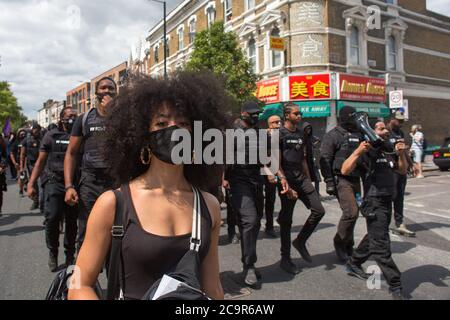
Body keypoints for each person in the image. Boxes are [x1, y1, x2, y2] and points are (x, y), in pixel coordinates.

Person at [68, 71, 225, 300]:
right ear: (142, 135)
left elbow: (213, 289)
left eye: (183, 123)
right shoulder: (113, 204)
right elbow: (79, 286)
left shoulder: (209, 206)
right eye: (161, 123)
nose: (174, 130)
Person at [224, 101, 289, 287]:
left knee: (254, 221)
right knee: (250, 220)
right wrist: (222, 179)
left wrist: (280, 175)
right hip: (238, 181)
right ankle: (249, 265)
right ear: (243, 113)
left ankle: (248, 259)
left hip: (256, 180)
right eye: (251, 114)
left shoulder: (261, 134)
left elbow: (269, 157)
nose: (255, 117)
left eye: (257, 114)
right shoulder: (230, 131)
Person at [343, 121, 408, 300]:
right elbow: (345, 169)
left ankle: (354, 262)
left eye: (385, 128)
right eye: (380, 128)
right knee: (381, 247)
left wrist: (401, 154)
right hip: (374, 202)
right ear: (371, 132)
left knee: (375, 236)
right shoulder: (367, 151)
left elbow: (402, 170)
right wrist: (358, 151)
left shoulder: (389, 149)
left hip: (387, 201)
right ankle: (396, 285)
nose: (385, 131)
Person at [64, 77, 117, 252]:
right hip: (90, 182)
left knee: (116, 234)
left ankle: (114, 278)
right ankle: (84, 278)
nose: (107, 91)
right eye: (103, 88)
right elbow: (71, 153)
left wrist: (113, 112)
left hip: (116, 183)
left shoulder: (123, 118)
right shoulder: (84, 119)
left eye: (111, 88)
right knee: (87, 232)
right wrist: (69, 186)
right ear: (96, 93)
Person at [27, 108, 79, 271]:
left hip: (74, 183)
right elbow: (40, 162)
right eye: (69, 116)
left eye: (74, 117)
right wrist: (31, 183)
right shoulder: (51, 136)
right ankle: (53, 252)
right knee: (52, 218)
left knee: (72, 222)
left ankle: (70, 255)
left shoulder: (79, 135)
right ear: (61, 118)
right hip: (54, 181)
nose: (72, 119)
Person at [276, 103, 325, 274]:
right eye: (296, 113)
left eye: (300, 113)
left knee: (318, 210)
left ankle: (301, 241)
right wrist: (284, 181)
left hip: (302, 178)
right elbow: (276, 161)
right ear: (287, 115)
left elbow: (303, 158)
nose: (300, 116)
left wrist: (308, 179)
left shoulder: (301, 134)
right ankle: (285, 258)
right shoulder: (279, 134)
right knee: (287, 221)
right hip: (286, 180)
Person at [320, 106, 365, 262]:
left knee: (355, 212)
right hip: (341, 180)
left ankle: (348, 244)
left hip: (355, 179)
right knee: (350, 213)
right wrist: (329, 182)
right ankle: (339, 242)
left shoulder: (358, 134)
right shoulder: (333, 135)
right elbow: (325, 159)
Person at [388, 112, 415, 237]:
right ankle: (385, 222)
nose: (400, 123)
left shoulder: (400, 132)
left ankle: (400, 223)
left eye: (402, 121)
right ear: (392, 119)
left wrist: (411, 164)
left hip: (401, 169)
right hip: (390, 170)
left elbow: (405, 151)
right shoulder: (386, 131)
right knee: (390, 196)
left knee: (399, 198)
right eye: (398, 120)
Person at [263, 115, 282, 238]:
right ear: (270, 124)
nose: (278, 124)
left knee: (272, 199)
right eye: (276, 122)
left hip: (278, 171)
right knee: (262, 199)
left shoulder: (281, 136)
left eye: (279, 122)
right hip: (265, 171)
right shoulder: (264, 136)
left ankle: (270, 226)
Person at [20, 124, 42, 211]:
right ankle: (36, 201)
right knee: (34, 184)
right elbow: (22, 155)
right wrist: (22, 168)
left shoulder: (42, 139)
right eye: (35, 130)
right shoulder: (26, 140)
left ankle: (42, 203)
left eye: (38, 130)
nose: (37, 132)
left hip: (41, 165)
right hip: (31, 165)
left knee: (41, 184)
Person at [10, 129, 26, 196]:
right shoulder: (15, 143)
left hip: (28, 162)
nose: (23, 135)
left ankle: (26, 184)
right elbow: (11, 153)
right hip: (19, 163)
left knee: (27, 176)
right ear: (18, 134)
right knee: (21, 176)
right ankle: (21, 190)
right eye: (21, 134)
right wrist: (14, 163)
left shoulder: (28, 141)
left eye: (24, 134)